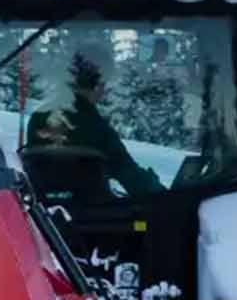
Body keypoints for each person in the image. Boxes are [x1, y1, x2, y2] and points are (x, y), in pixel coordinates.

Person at [24, 44, 162, 200]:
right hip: (94, 217)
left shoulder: (38, 118)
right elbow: (132, 178)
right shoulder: (97, 128)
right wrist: (163, 195)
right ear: (98, 84)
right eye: (105, 82)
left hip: (42, 217)